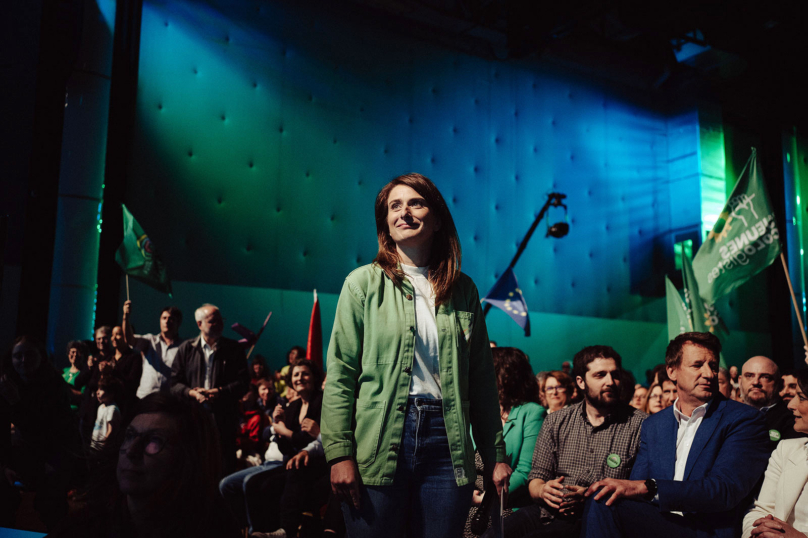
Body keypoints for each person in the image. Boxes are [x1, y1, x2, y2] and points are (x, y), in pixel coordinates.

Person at [322, 173, 510, 538]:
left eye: (415, 203)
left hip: (447, 442)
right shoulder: (361, 283)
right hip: (376, 440)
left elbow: (483, 380)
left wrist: (494, 454)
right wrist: (339, 453)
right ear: (386, 224)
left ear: (437, 218)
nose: (404, 212)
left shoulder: (464, 289)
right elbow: (341, 374)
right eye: (394, 206)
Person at [581, 332, 770, 538]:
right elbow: (637, 484)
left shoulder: (744, 419)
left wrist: (651, 488)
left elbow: (724, 490)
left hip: (706, 530)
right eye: (697, 365)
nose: (708, 373)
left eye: (713, 366)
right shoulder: (654, 424)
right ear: (672, 371)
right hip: (659, 522)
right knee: (602, 497)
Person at [485, 345, 646, 538]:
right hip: (548, 512)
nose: (610, 382)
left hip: (600, 516)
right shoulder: (556, 421)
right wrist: (544, 490)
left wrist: (588, 495)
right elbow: (535, 478)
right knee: (493, 534)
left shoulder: (639, 424)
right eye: (600, 375)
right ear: (581, 381)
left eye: (615, 375)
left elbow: (640, 488)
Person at [51, 393, 241, 538]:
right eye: (130, 435)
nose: (132, 450)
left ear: (189, 456)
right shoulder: (89, 525)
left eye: (154, 440)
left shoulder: (217, 527)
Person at [0, 336, 82, 530]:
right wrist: (2, 465)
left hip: (55, 452)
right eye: (17, 356)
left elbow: (46, 432)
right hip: (23, 452)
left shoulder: (54, 384)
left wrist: (16, 403)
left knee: (51, 506)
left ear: (41, 357)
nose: (23, 360)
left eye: (29, 354)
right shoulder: (7, 383)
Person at [171, 303, 249, 475]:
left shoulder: (233, 349)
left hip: (224, 419)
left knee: (223, 466)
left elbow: (243, 383)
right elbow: (174, 384)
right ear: (199, 324)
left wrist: (219, 392)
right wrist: (191, 393)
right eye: (214, 321)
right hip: (193, 418)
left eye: (221, 320)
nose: (220, 324)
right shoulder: (187, 348)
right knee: (193, 466)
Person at [473, 347, 545, 513]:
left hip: (505, 505)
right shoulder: (478, 410)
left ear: (505, 374)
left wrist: (484, 500)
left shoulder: (532, 412)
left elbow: (526, 471)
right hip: (466, 502)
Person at [742, 369, 808, 538]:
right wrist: (758, 533)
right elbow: (761, 510)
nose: (790, 405)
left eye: (801, 397)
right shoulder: (786, 450)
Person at [740, 355, 803, 449]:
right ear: (740, 381)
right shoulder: (728, 415)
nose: (756, 382)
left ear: (780, 384)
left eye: (765, 377)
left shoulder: (793, 420)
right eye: (749, 376)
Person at [123, 300, 182, 399]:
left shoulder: (183, 346)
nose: (167, 321)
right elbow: (129, 340)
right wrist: (126, 317)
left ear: (178, 323)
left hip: (169, 399)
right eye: (164, 318)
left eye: (171, 318)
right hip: (146, 396)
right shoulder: (150, 341)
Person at [92, 376, 123, 449]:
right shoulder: (101, 407)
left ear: (111, 393)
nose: (97, 392)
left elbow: (110, 431)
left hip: (102, 448)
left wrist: (103, 446)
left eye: (101, 389)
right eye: (98, 389)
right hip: (95, 445)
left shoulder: (112, 409)